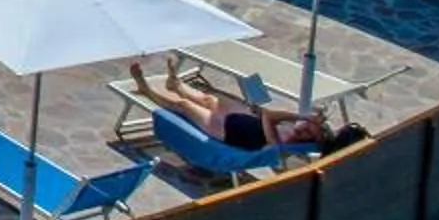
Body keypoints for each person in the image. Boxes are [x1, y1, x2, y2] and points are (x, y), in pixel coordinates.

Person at [130, 56, 365, 153]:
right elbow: (266, 115)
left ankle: (147, 90)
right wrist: (308, 120)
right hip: (241, 120)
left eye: (306, 130)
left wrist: (300, 117)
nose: (302, 127)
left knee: (184, 106)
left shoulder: (281, 145)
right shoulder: (304, 136)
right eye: (307, 126)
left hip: (228, 132)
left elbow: (269, 116)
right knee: (209, 99)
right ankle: (176, 84)